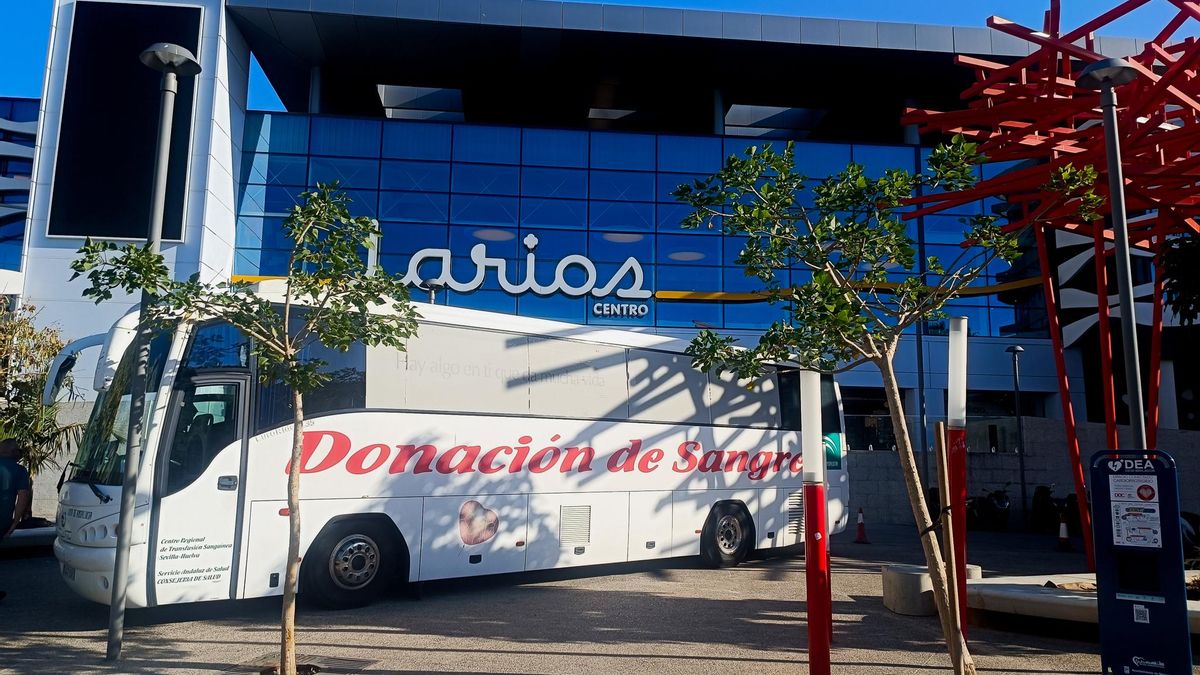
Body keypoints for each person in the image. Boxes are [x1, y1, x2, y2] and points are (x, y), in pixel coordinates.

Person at [0, 438, 31, 602]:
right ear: (12, 452)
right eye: (18, 450)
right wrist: (15, 522)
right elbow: (22, 496)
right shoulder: (19, 471)